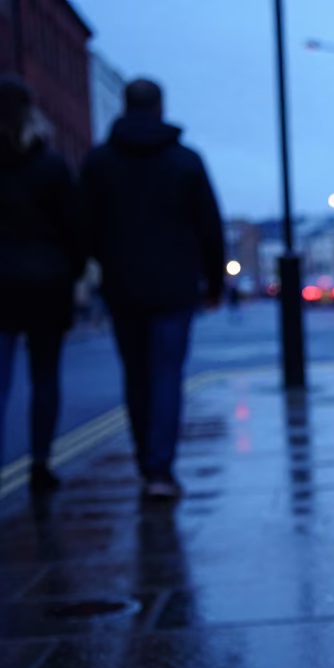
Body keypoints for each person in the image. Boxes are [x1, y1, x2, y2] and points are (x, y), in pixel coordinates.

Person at [82, 79, 224, 500]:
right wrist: (214, 284)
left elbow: (83, 226)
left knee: (137, 376)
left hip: (122, 286)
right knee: (166, 376)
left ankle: (147, 462)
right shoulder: (185, 161)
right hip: (175, 288)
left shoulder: (99, 163)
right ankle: (161, 470)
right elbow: (209, 228)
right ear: (160, 107)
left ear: (125, 107)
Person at [0, 76, 86, 493]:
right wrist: (72, 271)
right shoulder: (51, 166)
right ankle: (39, 463)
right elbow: (75, 229)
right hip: (46, 283)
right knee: (45, 377)